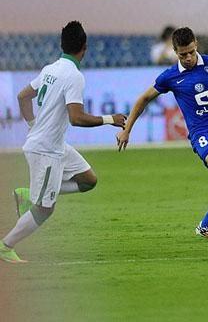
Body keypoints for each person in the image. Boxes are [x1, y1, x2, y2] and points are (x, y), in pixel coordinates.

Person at [116, 27, 208, 240]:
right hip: (201, 131)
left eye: (191, 52)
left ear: (196, 45)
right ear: (175, 52)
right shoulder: (170, 76)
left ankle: (205, 225)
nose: (189, 57)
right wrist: (127, 130)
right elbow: (143, 99)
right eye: (183, 54)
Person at [0, 21, 126, 263]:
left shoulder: (51, 69)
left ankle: (31, 194)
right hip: (46, 150)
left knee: (88, 180)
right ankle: (6, 245)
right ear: (84, 48)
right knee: (45, 209)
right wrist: (110, 119)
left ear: (62, 45)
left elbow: (23, 95)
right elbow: (76, 117)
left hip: (53, 144)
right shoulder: (74, 76)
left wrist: (32, 125)